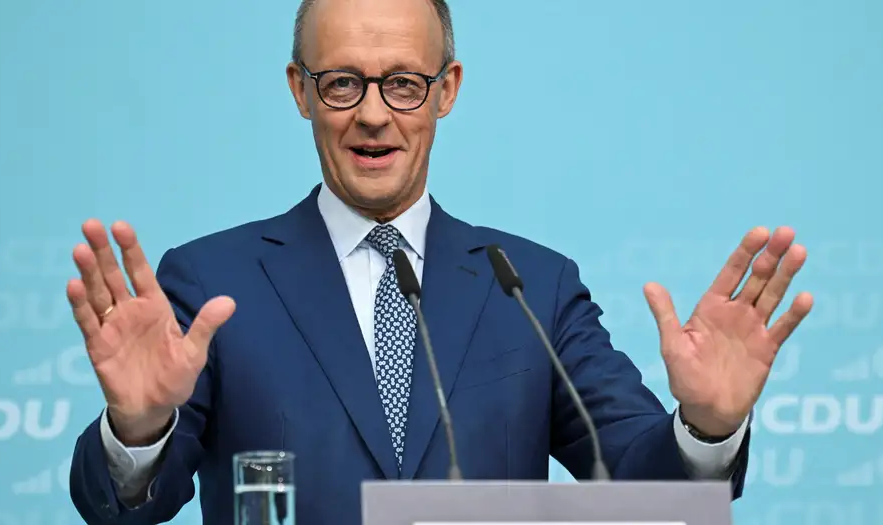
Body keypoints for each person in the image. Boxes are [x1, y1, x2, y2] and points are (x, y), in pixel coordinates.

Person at [65, 0, 814, 523]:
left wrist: (707, 427)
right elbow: (123, 507)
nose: (372, 114)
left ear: (445, 90)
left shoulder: (532, 286)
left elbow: (644, 486)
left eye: (403, 83)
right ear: (301, 91)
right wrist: (138, 430)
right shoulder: (214, 282)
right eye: (342, 82)